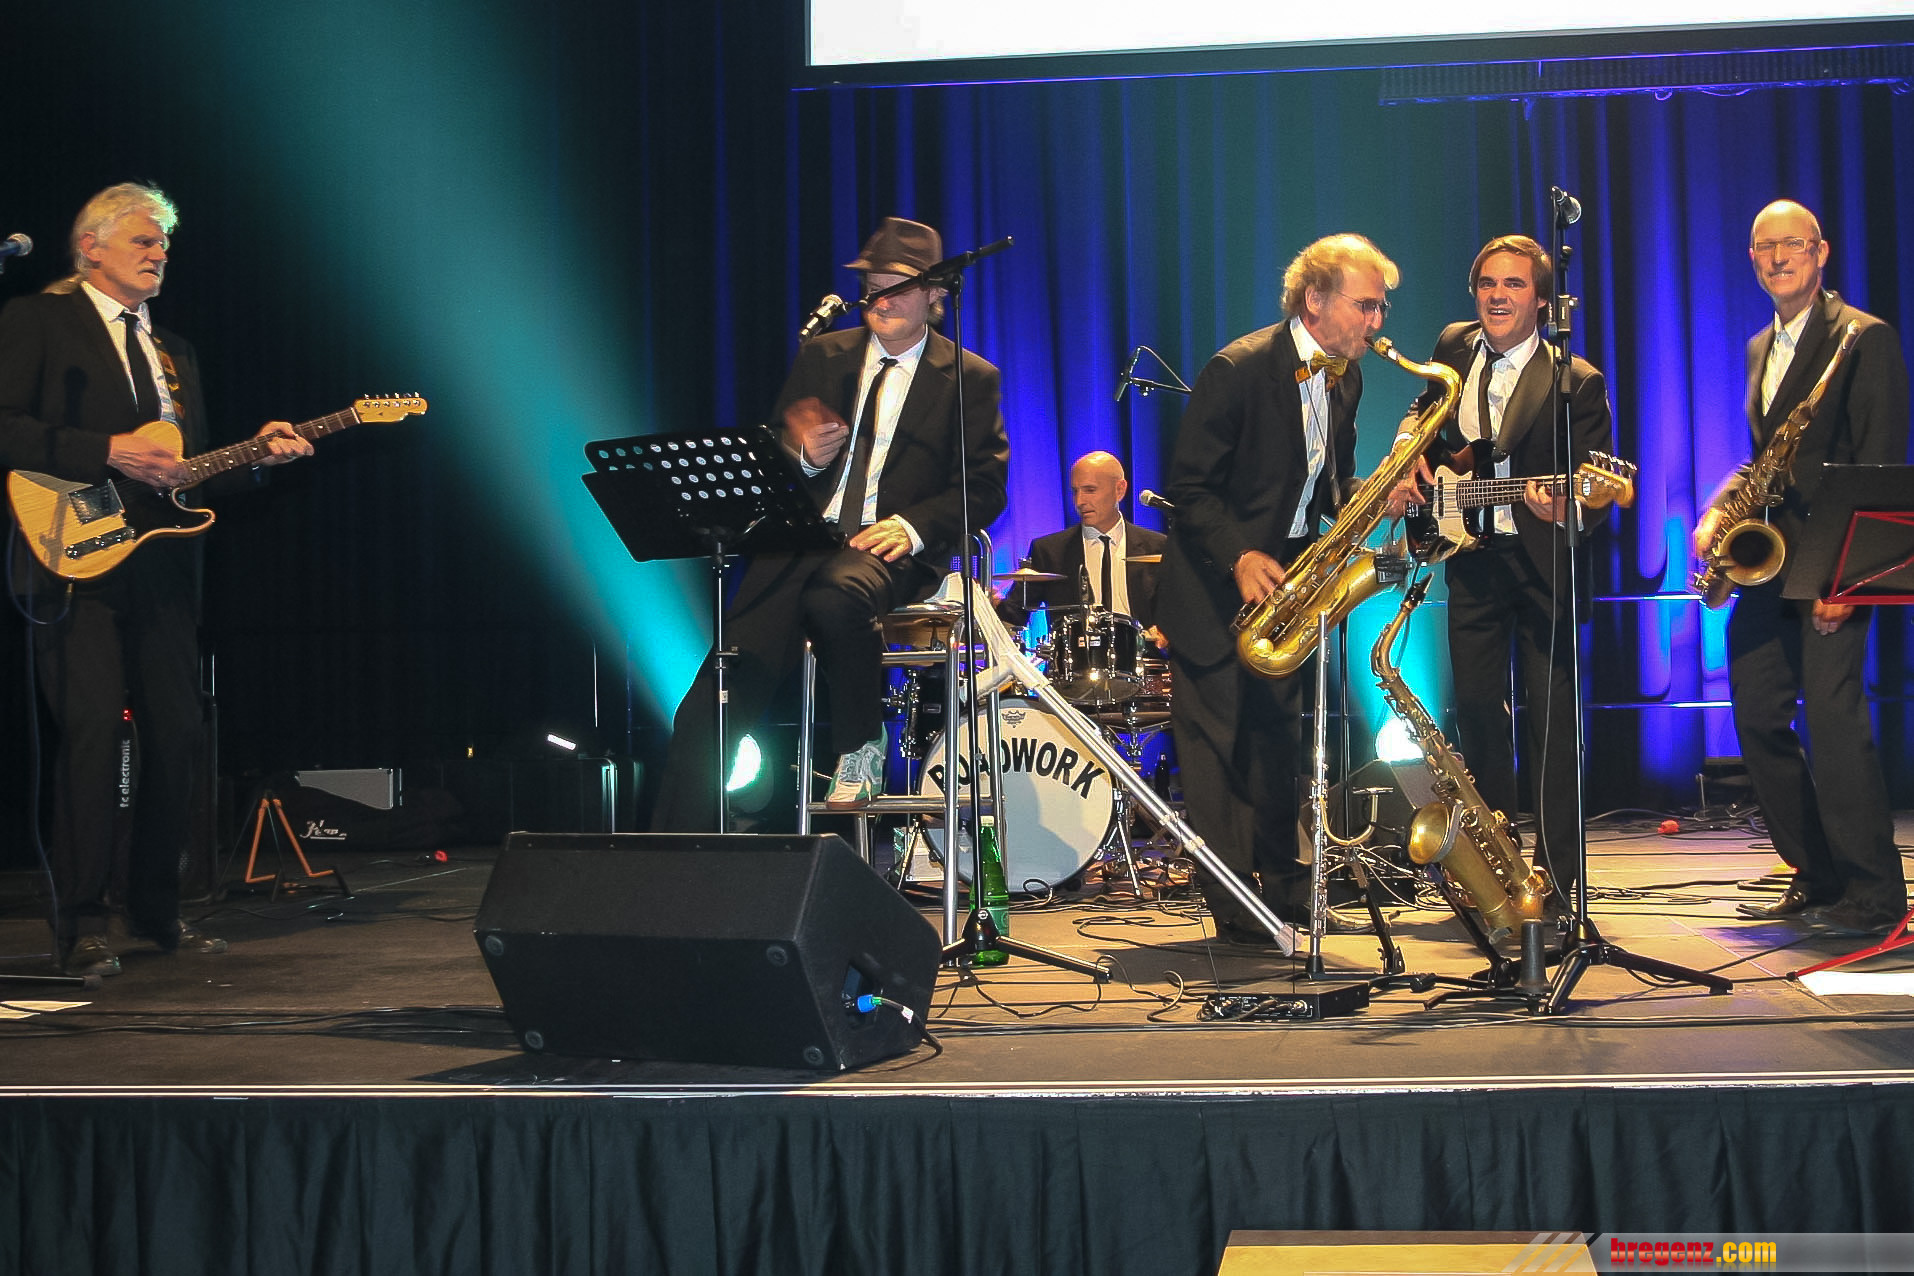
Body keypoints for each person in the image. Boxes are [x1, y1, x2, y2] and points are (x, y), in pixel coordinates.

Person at [0, 182, 311, 977]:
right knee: (93, 734)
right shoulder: (39, 321)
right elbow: (6, 425)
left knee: (176, 734)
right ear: (91, 246)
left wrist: (259, 459)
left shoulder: (176, 350)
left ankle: (155, 909)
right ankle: (81, 921)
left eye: (164, 244)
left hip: (164, 566)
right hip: (71, 556)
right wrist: (106, 451)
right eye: (143, 240)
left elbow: (185, 475)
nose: (158, 253)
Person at [650, 217, 1009, 828]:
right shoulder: (825, 356)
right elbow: (772, 453)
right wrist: (800, 453)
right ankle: (670, 856)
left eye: (897, 287)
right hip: (803, 543)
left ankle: (861, 741)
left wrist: (913, 526)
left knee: (838, 593)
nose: (880, 300)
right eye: (873, 286)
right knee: (719, 695)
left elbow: (985, 485)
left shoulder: (969, 377)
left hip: (886, 547)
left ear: (935, 295)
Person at [1157, 233, 1396, 940]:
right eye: (1365, 305)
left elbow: (1329, 484)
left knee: (1277, 748)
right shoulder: (1238, 368)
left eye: (1380, 308)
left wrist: (1377, 497)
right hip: (1212, 590)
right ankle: (1238, 913)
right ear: (1314, 300)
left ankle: (1291, 896)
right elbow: (1189, 489)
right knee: (1219, 758)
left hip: (1285, 592)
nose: (1376, 321)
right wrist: (1239, 555)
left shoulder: (1347, 378)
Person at [1386, 234, 1615, 905]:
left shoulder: (1576, 379)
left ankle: (1560, 887)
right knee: (1479, 714)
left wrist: (1564, 507)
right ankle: (1495, 874)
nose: (1497, 295)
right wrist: (1408, 449)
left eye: (1513, 284)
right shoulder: (1453, 346)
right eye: (1488, 283)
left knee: (1551, 728)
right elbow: (1422, 412)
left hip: (1542, 564)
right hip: (1471, 560)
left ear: (1541, 299)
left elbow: (1594, 492)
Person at [1700, 200, 1908, 936]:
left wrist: (1849, 578)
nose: (1778, 256)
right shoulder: (1760, 344)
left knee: (1833, 721)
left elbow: (1879, 467)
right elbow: (1767, 457)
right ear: (1752, 259)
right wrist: (1719, 510)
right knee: (1756, 714)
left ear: (1821, 252)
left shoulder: (1864, 337)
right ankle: (1817, 874)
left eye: (1792, 243)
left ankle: (1875, 894)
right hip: (1771, 558)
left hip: (1833, 561)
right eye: (1765, 246)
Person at [997, 450, 1166, 644]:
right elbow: (1014, 615)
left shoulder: (1158, 547)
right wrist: (991, 603)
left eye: (1090, 490)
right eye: (1075, 491)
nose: (1079, 502)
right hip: (1076, 659)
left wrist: (1166, 634)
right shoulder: (1049, 550)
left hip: (1143, 659)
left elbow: (1178, 612)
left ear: (1120, 490)